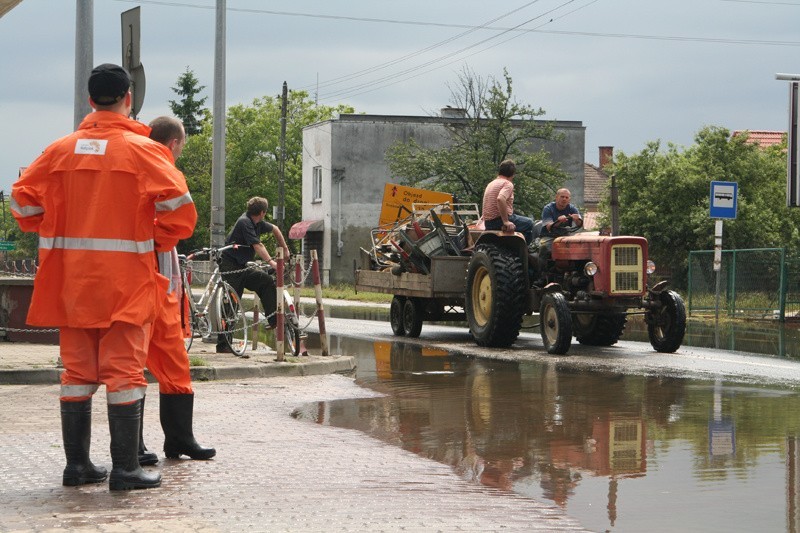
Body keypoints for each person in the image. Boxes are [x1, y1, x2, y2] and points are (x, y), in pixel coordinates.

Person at [11, 64, 196, 491]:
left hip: (71, 284)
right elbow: (182, 214)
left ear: (90, 99)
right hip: (125, 284)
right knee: (124, 373)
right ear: (128, 97)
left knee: (77, 373)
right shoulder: (144, 149)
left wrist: (55, 223)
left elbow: (21, 204)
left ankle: (77, 468)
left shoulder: (59, 150)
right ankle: (125, 470)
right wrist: (151, 238)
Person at [137, 116, 215, 467]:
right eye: (181, 147)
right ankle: (136, 447)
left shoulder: (140, 163)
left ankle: (179, 440)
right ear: (174, 144)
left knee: (172, 362)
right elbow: (179, 219)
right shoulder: (154, 166)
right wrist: (159, 239)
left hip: (158, 281)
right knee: (131, 364)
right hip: (144, 280)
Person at [217, 196, 290, 353]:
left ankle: (273, 319)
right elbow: (257, 245)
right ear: (263, 212)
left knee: (265, 281)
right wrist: (272, 262)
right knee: (231, 304)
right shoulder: (245, 222)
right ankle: (223, 345)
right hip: (230, 266)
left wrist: (285, 248)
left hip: (242, 266)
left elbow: (275, 229)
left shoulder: (257, 223)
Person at [481, 159, 534, 245]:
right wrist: (506, 221)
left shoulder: (491, 183)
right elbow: (500, 199)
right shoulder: (507, 184)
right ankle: (526, 251)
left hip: (488, 222)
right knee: (529, 223)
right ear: (513, 174)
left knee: (520, 217)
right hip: (498, 221)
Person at [538, 188, 583, 272]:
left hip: (565, 235)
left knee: (579, 248)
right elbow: (549, 227)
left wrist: (577, 220)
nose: (564, 199)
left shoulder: (572, 208)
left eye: (566, 197)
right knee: (543, 247)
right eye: (562, 197)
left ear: (569, 199)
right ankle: (542, 275)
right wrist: (558, 221)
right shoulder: (548, 208)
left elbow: (579, 225)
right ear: (556, 197)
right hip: (549, 236)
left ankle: (576, 272)